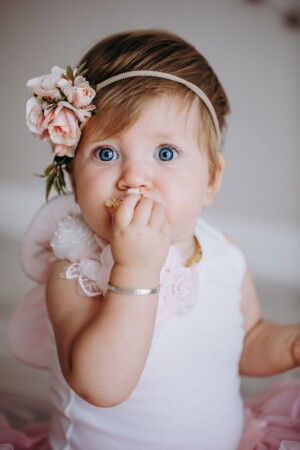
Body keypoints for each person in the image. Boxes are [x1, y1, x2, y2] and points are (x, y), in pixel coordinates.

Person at [0, 29, 300, 450]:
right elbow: (100, 385)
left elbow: (247, 341)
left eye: (165, 153)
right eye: (106, 154)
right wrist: (135, 269)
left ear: (211, 180)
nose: (134, 178)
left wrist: (291, 344)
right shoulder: (75, 273)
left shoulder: (225, 256)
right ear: (72, 177)